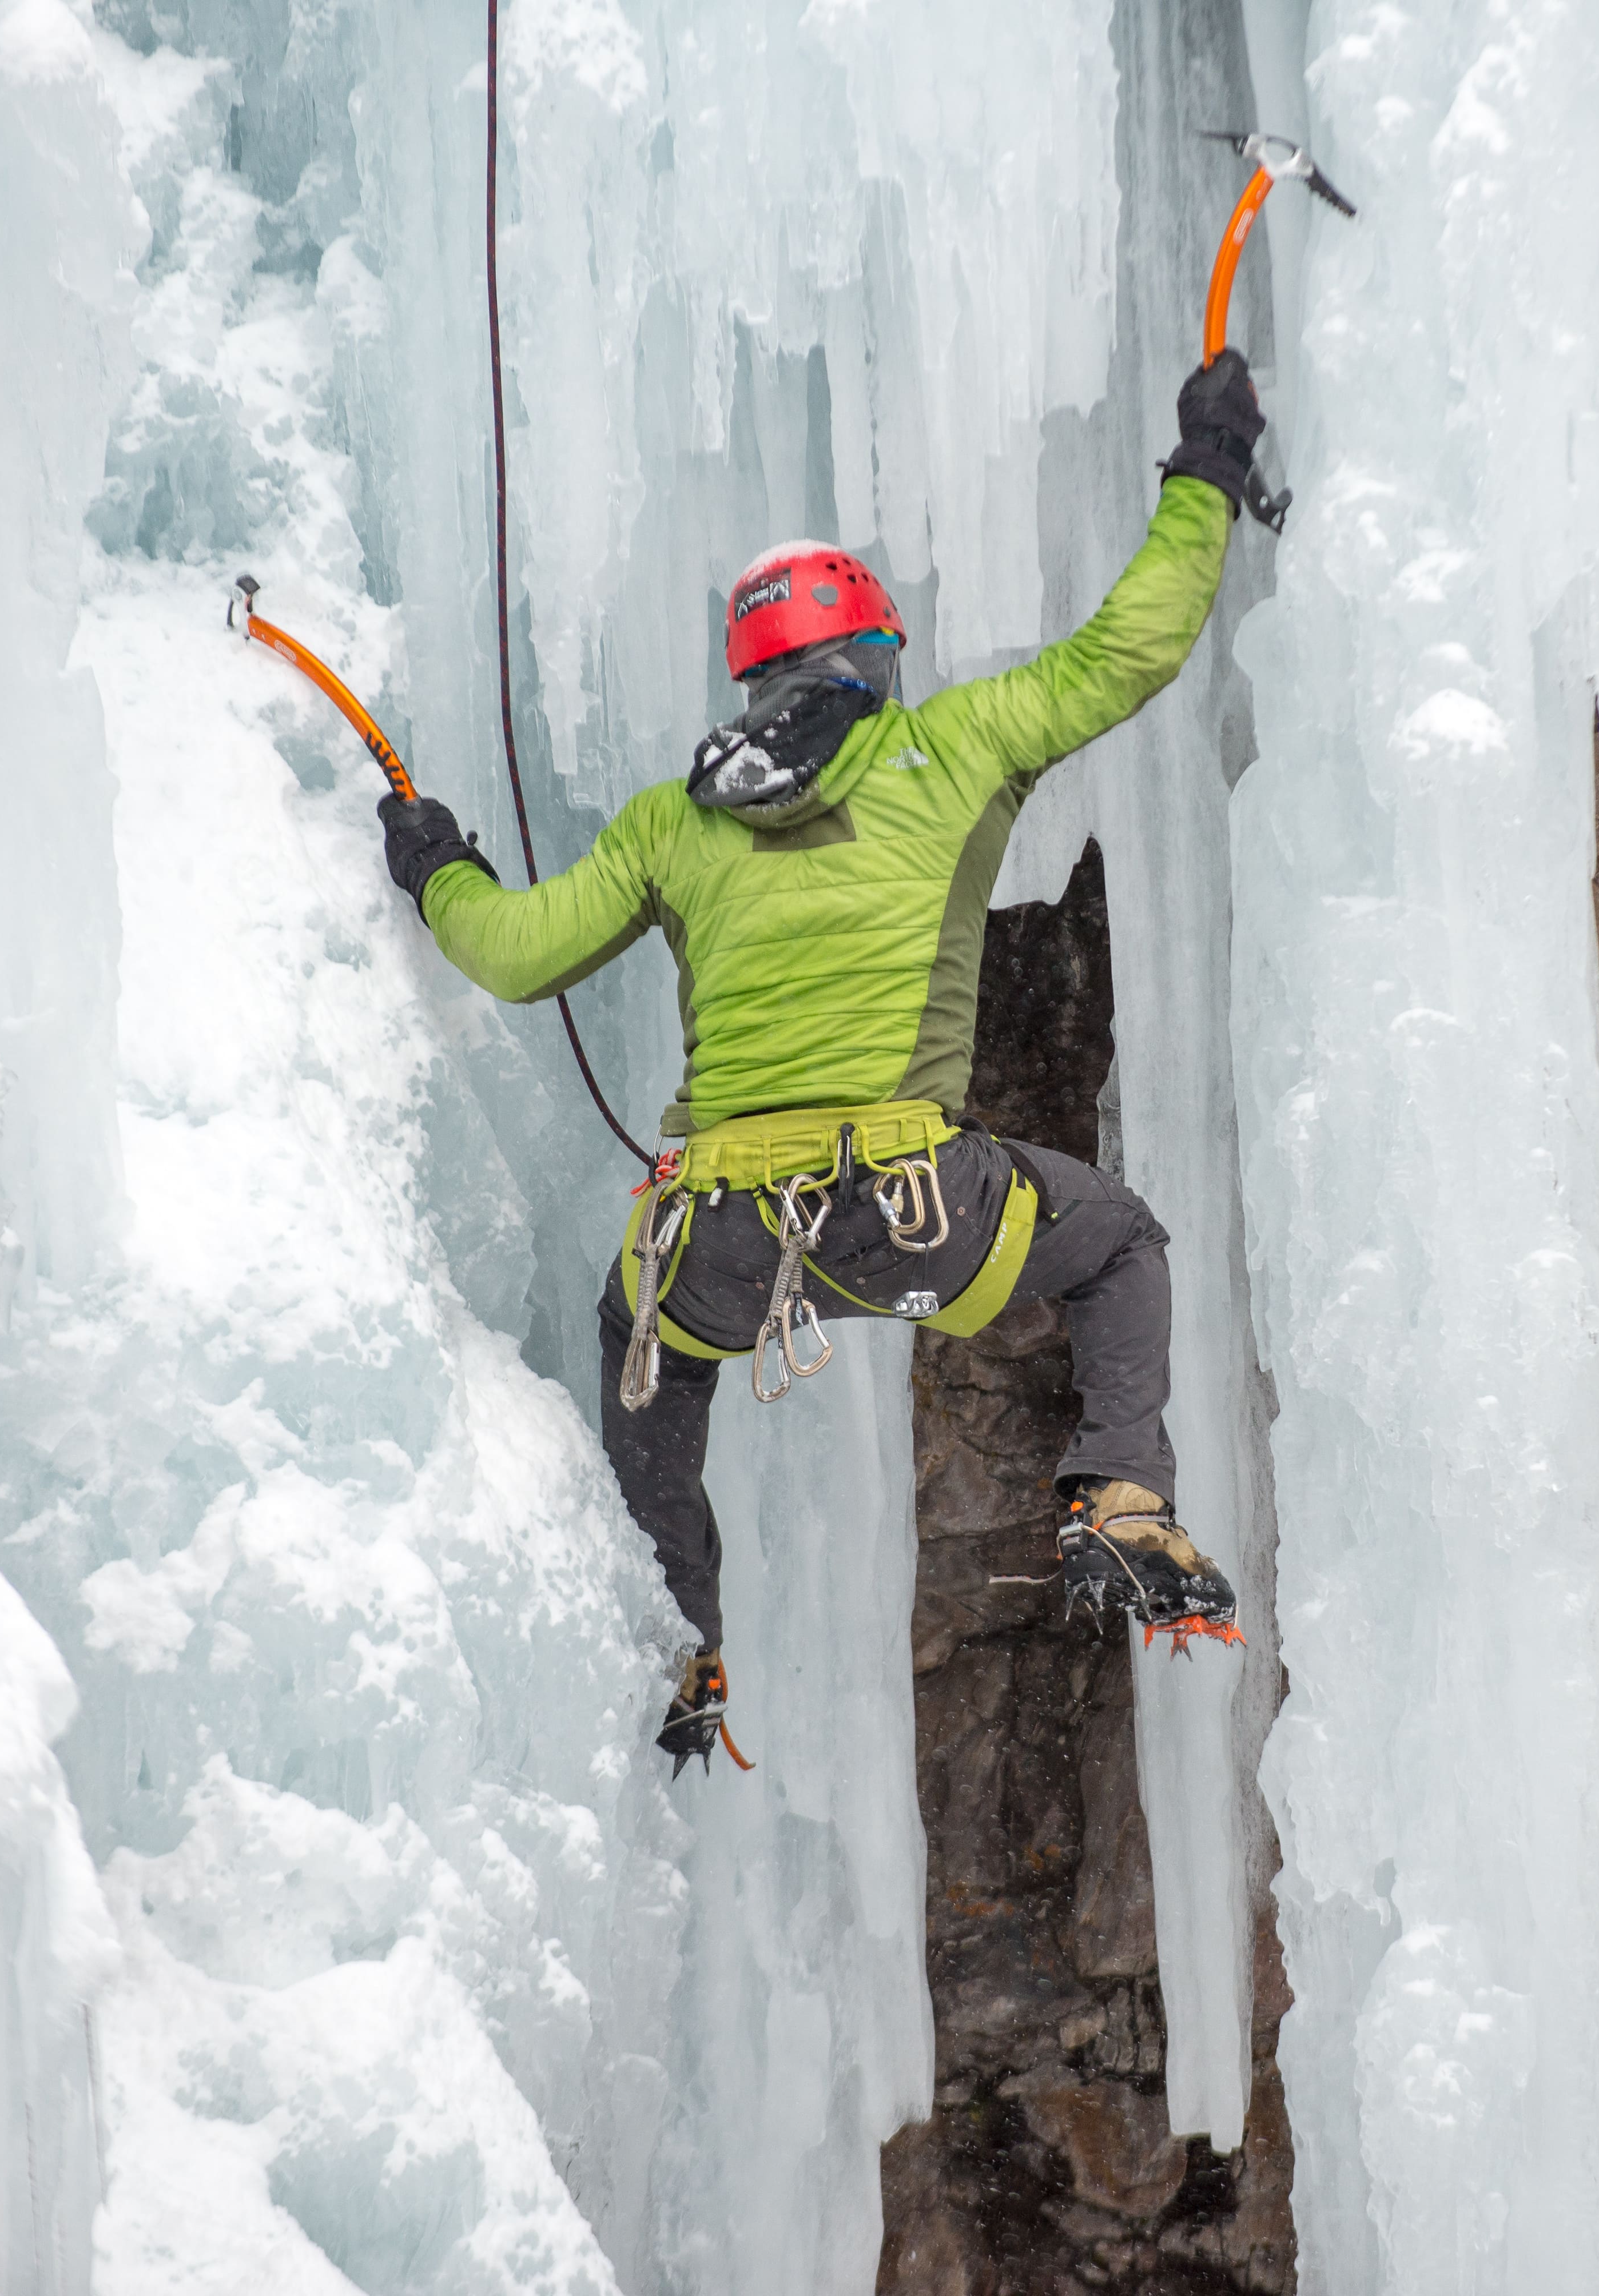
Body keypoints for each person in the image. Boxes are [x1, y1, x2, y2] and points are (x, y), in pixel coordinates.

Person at [377, 353, 1268, 1771]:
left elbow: (515, 953)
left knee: (643, 1350)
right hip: (919, 1214)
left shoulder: (674, 823)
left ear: (754, 674)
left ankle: (682, 1640)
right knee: (1114, 1245)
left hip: (717, 1241)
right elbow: (1129, 650)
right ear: (871, 656)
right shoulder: (951, 745)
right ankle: (1122, 1501)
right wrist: (1206, 471)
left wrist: (437, 867)